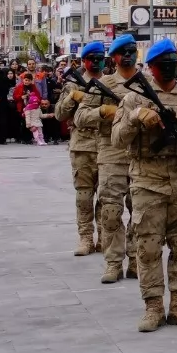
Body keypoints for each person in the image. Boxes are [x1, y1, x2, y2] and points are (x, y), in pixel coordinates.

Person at [112, 39, 177, 332]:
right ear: (152, 67)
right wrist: (135, 118)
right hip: (148, 182)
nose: (169, 69)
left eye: (173, 63)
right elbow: (117, 140)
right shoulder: (134, 98)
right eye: (163, 64)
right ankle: (153, 307)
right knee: (147, 247)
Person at [86, 35, 138, 284]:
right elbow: (80, 117)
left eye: (131, 51)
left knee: (141, 212)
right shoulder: (102, 84)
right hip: (111, 153)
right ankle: (113, 262)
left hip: (140, 155)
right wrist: (102, 111)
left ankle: (137, 260)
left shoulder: (149, 83)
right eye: (122, 52)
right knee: (110, 211)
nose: (127, 56)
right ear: (114, 57)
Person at [55, 41, 105, 257]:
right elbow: (59, 114)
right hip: (82, 146)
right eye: (92, 59)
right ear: (84, 61)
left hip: (107, 146)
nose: (96, 62)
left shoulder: (110, 83)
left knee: (106, 197)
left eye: (100, 58)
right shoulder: (72, 85)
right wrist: (71, 97)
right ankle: (85, 238)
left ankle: (104, 238)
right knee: (84, 196)